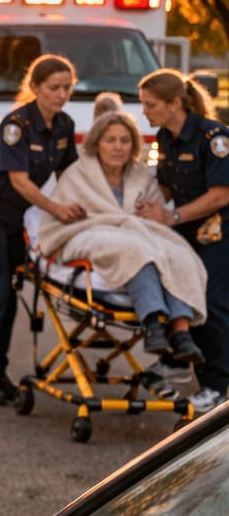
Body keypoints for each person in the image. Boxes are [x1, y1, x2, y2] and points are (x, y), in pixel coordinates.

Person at [35, 101, 206, 361]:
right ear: (97, 143)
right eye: (110, 140)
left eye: (125, 141)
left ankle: (181, 333)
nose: (118, 147)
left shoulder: (140, 175)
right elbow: (62, 215)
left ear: (133, 145)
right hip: (87, 231)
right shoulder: (78, 173)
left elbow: (155, 211)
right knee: (135, 250)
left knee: (178, 252)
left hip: (138, 232)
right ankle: (152, 325)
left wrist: (150, 213)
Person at [0, 54, 84, 405]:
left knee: (11, 295)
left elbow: (70, 175)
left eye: (67, 88)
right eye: (54, 88)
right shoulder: (17, 124)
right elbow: (19, 181)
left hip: (18, 220)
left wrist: (86, 208)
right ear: (34, 88)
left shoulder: (63, 125)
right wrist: (57, 209)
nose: (61, 95)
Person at [135, 69, 229, 407]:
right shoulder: (164, 137)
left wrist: (171, 215)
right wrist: (151, 202)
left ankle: (218, 387)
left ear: (175, 103)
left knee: (212, 303)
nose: (144, 111)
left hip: (219, 230)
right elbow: (165, 184)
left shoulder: (213, 137)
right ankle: (184, 366)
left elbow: (221, 194)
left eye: (150, 105)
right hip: (186, 230)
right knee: (182, 292)